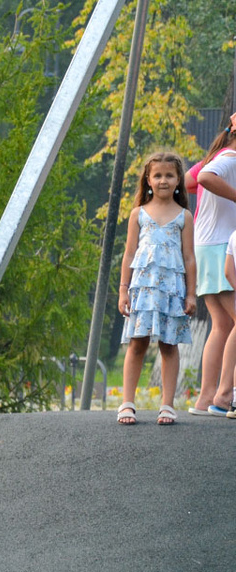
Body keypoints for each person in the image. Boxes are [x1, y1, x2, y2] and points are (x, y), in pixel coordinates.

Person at [116, 152, 197, 426]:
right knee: (137, 343)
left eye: (169, 175)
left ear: (178, 180)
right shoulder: (138, 214)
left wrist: (191, 293)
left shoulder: (184, 216)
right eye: (158, 175)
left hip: (172, 292)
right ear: (148, 180)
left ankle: (167, 405)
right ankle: (127, 403)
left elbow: (189, 258)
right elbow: (128, 255)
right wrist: (123, 290)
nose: (163, 180)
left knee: (169, 344)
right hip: (143, 290)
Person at [188, 120, 236, 416]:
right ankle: (223, 396)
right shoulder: (230, 158)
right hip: (220, 247)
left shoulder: (218, 155)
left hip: (205, 245)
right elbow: (204, 178)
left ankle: (206, 400)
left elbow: (190, 180)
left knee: (222, 325)